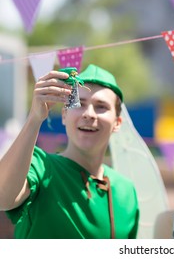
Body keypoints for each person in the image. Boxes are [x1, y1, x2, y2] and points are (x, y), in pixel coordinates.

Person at [0, 64, 139, 239]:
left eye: (101, 106)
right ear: (64, 114)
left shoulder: (126, 190)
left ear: (117, 122)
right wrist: (34, 118)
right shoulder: (39, 166)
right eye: (80, 103)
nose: (89, 114)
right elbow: (3, 197)